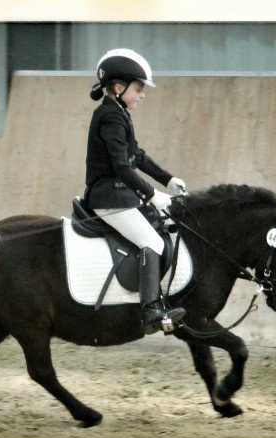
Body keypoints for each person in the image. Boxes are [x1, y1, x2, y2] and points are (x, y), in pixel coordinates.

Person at [84, 48, 187, 334]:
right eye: (139, 89)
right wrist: (153, 195)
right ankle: (151, 311)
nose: (142, 95)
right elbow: (121, 167)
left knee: (161, 225)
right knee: (151, 243)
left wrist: (168, 180)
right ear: (119, 87)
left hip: (120, 195)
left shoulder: (119, 113)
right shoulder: (110, 116)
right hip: (109, 198)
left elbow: (136, 156)